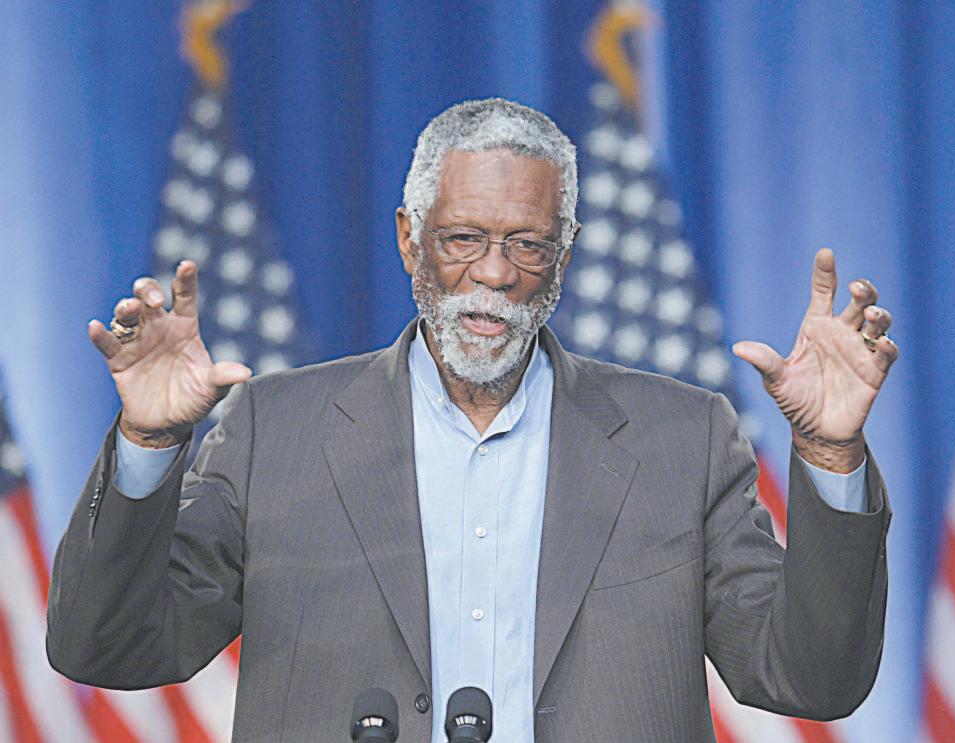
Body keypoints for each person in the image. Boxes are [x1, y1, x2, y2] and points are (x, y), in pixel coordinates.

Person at [47, 99, 897, 743]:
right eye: (462, 239)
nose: (493, 274)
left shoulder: (683, 437)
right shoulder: (276, 430)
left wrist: (829, 452)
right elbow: (104, 648)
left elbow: (810, 679)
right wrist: (148, 443)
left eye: (527, 244)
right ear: (408, 238)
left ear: (563, 256)